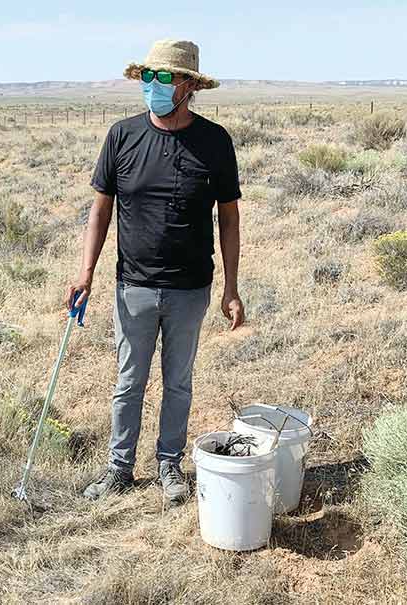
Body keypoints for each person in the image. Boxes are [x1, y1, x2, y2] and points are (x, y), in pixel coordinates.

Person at [66, 39, 244, 506]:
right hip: (134, 287)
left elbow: (228, 216)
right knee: (129, 380)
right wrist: (86, 273)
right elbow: (100, 211)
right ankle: (119, 468)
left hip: (190, 289)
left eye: (165, 78)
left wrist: (231, 287)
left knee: (178, 381)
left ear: (189, 86)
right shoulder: (123, 136)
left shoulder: (214, 141)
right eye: (149, 77)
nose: (155, 86)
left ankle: (169, 463)